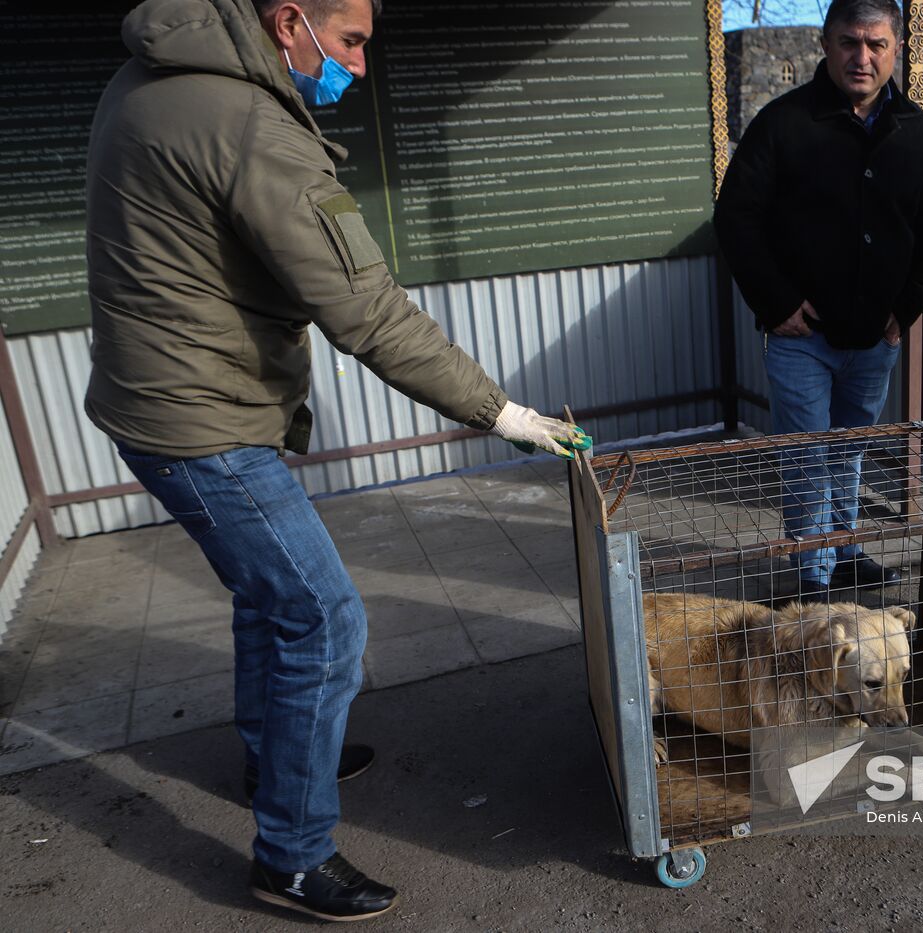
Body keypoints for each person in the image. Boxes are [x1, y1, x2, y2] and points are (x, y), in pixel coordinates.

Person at [84, 0, 589, 920]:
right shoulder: (250, 125)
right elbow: (367, 311)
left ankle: (271, 753)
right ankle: (292, 853)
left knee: (265, 598)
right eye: (350, 42)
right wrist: (501, 411)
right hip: (202, 422)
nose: (357, 67)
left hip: (155, 401)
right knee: (323, 619)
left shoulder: (150, 76)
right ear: (289, 23)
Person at [715, 0, 923, 600]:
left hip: (876, 338)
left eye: (876, 44)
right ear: (827, 44)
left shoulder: (918, 134)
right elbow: (736, 216)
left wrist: (907, 310)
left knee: (849, 452)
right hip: (801, 339)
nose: (862, 57)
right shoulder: (785, 123)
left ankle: (844, 554)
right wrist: (775, 303)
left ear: (895, 50)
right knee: (807, 457)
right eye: (850, 42)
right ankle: (812, 577)